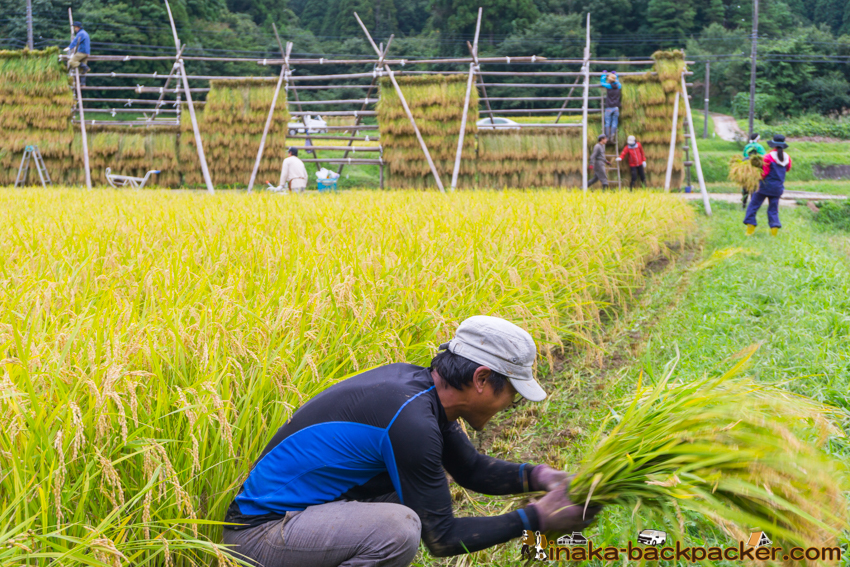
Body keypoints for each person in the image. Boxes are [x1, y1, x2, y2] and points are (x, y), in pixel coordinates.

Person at [222, 315, 601, 567]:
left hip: (302, 518)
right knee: (397, 529)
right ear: (482, 379)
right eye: (512, 394)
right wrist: (536, 518)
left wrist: (543, 477)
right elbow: (443, 539)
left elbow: (471, 469)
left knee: (420, 491)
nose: (510, 405)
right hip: (259, 535)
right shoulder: (410, 421)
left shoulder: (423, 394)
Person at [744, 134, 791, 237]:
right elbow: (787, 169)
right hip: (778, 188)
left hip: (764, 187)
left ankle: (750, 230)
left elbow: (764, 173)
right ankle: (774, 233)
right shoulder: (787, 157)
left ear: (773, 144)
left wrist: (756, 176)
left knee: (753, 206)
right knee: (773, 210)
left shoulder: (768, 157)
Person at [740, 133, 767, 208]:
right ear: (757, 139)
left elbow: (744, 156)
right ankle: (752, 204)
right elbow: (764, 157)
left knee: (745, 188)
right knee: (754, 188)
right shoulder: (759, 146)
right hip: (755, 170)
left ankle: (744, 204)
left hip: (746, 170)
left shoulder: (747, 146)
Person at [600, 71, 621, 139]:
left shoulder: (608, 86)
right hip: (616, 107)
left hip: (609, 107)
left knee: (607, 122)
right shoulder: (619, 86)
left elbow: (602, 83)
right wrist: (615, 75)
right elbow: (617, 81)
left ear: (609, 80)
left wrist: (604, 74)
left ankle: (607, 137)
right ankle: (612, 136)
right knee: (614, 122)